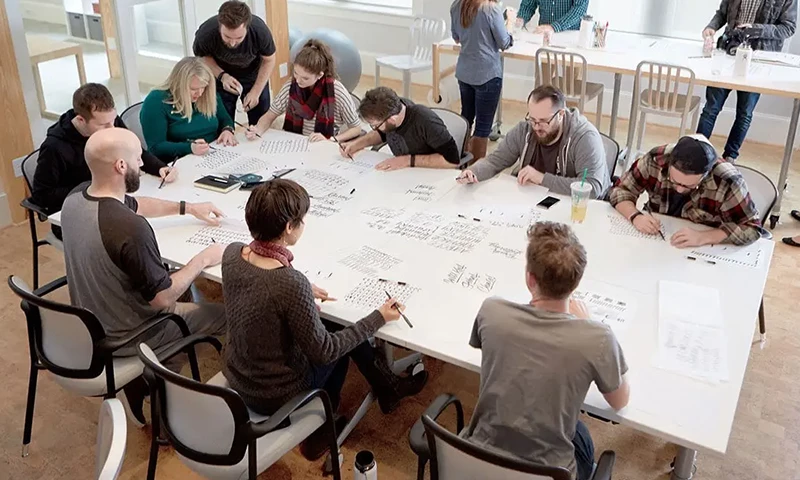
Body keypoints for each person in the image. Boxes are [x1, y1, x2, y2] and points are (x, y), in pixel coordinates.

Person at [221, 179, 428, 459]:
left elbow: (263, 289)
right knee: (340, 332)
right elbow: (325, 351)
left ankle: (387, 386)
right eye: (302, 220)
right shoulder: (288, 284)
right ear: (289, 228)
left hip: (239, 374)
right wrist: (377, 318)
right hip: (274, 394)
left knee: (333, 326)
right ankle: (320, 429)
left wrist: (303, 289)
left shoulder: (233, 254)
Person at [60, 128, 228, 425]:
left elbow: (137, 204)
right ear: (121, 166)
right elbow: (162, 300)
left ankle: (157, 375)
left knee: (179, 281)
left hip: (93, 322)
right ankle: (157, 388)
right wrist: (204, 258)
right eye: (138, 158)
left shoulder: (74, 200)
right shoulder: (131, 229)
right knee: (228, 315)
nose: (142, 162)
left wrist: (187, 208)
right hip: (130, 334)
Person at [463, 221, 629, 480]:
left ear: (530, 278)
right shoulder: (597, 338)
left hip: (477, 459)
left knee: (577, 431)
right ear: (576, 283)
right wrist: (589, 325)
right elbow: (620, 401)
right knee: (580, 434)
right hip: (551, 472)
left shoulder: (491, 311)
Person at [32, 83, 175, 239]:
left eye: (113, 120)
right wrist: (95, 186)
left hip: (113, 201)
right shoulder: (54, 147)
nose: (112, 128)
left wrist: (159, 168)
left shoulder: (109, 122)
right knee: (134, 235)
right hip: (74, 216)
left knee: (153, 227)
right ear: (80, 120)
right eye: (103, 125)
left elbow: (132, 149)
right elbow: (42, 195)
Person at [457, 85, 609, 198]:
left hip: (574, 206)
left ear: (561, 114)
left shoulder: (584, 137)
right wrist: (474, 171)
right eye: (532, 119)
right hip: (534, 201)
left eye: (543, 121)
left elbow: (592, 188)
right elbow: (495, 161)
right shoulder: (525, 129)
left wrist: (541, 178)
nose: (536, 127)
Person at [610, 135, 762, 247]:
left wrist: (704, 237)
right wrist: (635, 216)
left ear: (706, 175)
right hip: (656, 236)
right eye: (674, 181)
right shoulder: (656, 159)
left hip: (700, 247)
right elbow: (620, 190)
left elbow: (752, 228)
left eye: (689, 186)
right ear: (669, 164)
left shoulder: (727, 181)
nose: (679, 189)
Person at [697, 0, 797, 162]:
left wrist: (755, 29)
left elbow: (788, 27)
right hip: (727, 53)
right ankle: (697, 154)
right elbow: (722, 13)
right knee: (710, 108)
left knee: (744, 113)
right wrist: (711, 27)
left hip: (758, 59)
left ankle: (730, 158)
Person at [245, 39, 361, 142]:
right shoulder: (291, 85)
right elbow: (270, 115)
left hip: (324, 145)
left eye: (305, 78)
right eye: (295, 73)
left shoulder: (337, 91)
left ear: (320, 75)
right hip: (295, 142)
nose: (298, 80)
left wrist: (331, 139)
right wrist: (258, 130)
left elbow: (356, 128)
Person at [193, 0, 276, 124]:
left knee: (260, 121)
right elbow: (202, 57)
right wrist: (222, 76)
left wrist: (256, 92)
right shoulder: (206, 33)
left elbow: (269, 60)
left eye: (239, 38)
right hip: (220, 76)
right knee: (221, 122)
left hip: (254, 76)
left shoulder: (259, 31)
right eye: (227, 37)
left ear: (247, 27)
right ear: (220, 26)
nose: (232, 43)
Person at [140, 57, 237, 162]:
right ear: (179, 85)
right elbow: (155, 147)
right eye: (193, 89)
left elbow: (225, 119)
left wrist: (227, 130)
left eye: (203, 87)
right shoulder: (156, 101)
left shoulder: (206, 94)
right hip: (177, 161)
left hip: (214, 153)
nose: (200, 93)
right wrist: (189, 148)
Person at [340, 87, 461, 171]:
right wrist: (356, 144)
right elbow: (382, 133)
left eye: (375, 125)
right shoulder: (394, 108)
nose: (374, 128)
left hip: (428, 174)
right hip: (403, 172)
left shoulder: (426, 121)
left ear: (392, 120)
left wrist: (406, 161)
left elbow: (451, 161)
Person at [450, 0, 513, 162]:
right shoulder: (491, 9)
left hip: (465, 72)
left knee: (466, 117)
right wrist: (510, 23)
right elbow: (504, 43)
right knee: (483, 126)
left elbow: (456, 38)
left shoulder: (457, 5)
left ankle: (461, 160)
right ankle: (476, 168)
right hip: (487, 74)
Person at [515, 0, 589, 33]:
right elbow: (528, 5)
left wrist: (554, 27)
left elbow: (579, 10)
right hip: (543, 35)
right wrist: (521, 19)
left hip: (569, 36)